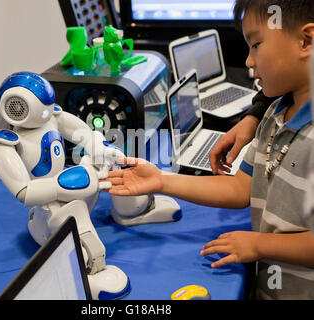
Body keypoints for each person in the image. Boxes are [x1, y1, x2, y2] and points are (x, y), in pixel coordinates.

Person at [105, 0, 314, 299]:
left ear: (305, 41)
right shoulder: (274, 114)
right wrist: (162, 181)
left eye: (256, 45)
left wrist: (258, 245)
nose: (249, 61)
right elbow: (242, 188)